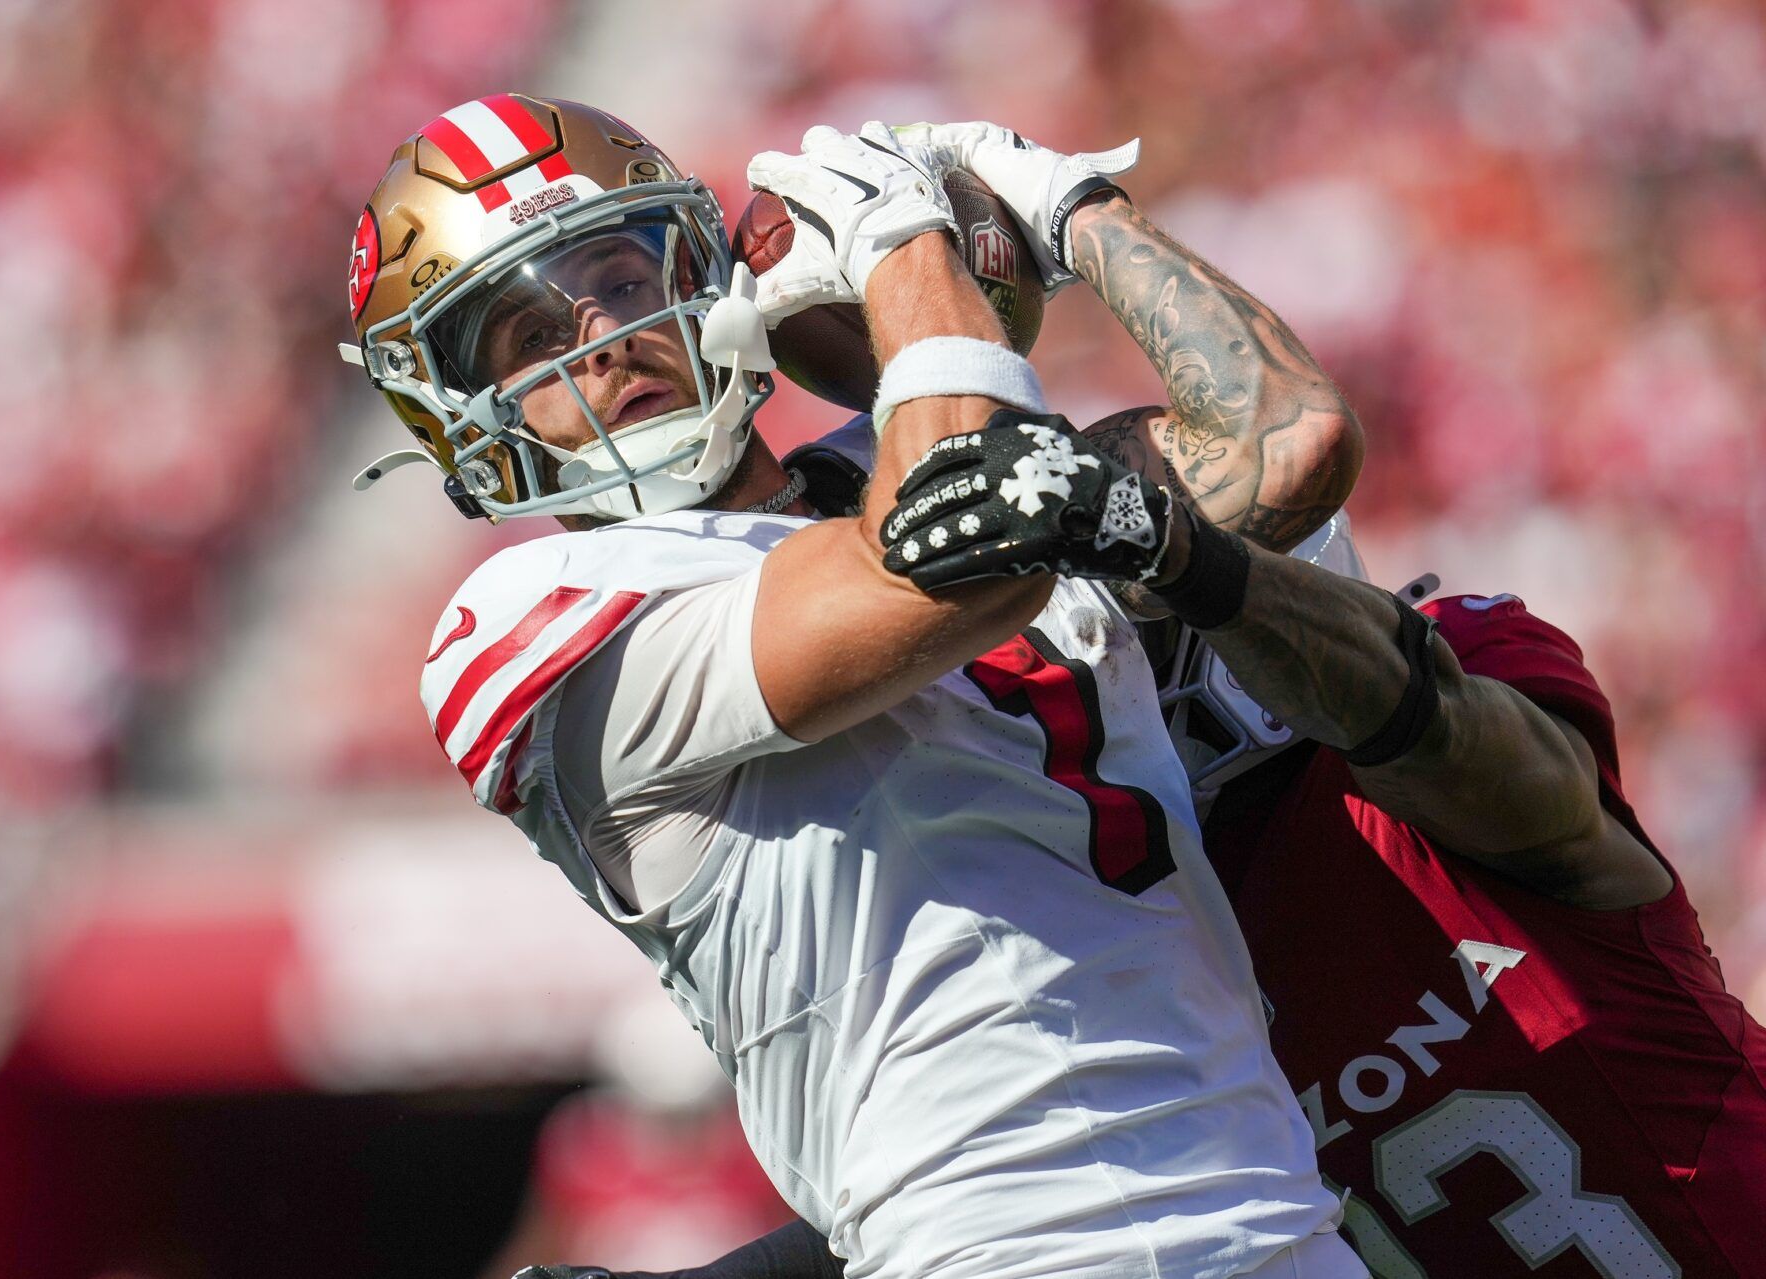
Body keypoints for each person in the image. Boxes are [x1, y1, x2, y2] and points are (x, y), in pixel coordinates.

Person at [523, 122, 1766, 1279]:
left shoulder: (1439, 692)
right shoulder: (1142, 901)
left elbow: (1293, 455)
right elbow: (1024, 1181)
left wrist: (1079, 214)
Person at [343, 95, 1367, 1278]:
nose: (601, 336)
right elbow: (960, 566)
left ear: (698, 273)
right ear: (462, 418)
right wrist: (904, 248)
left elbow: (1285, 440)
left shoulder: (897, 462)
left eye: (621, 280)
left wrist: (1075, 209)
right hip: (1006, 1248)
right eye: (527, 340)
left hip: (1280, 1220)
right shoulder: (534, 612)